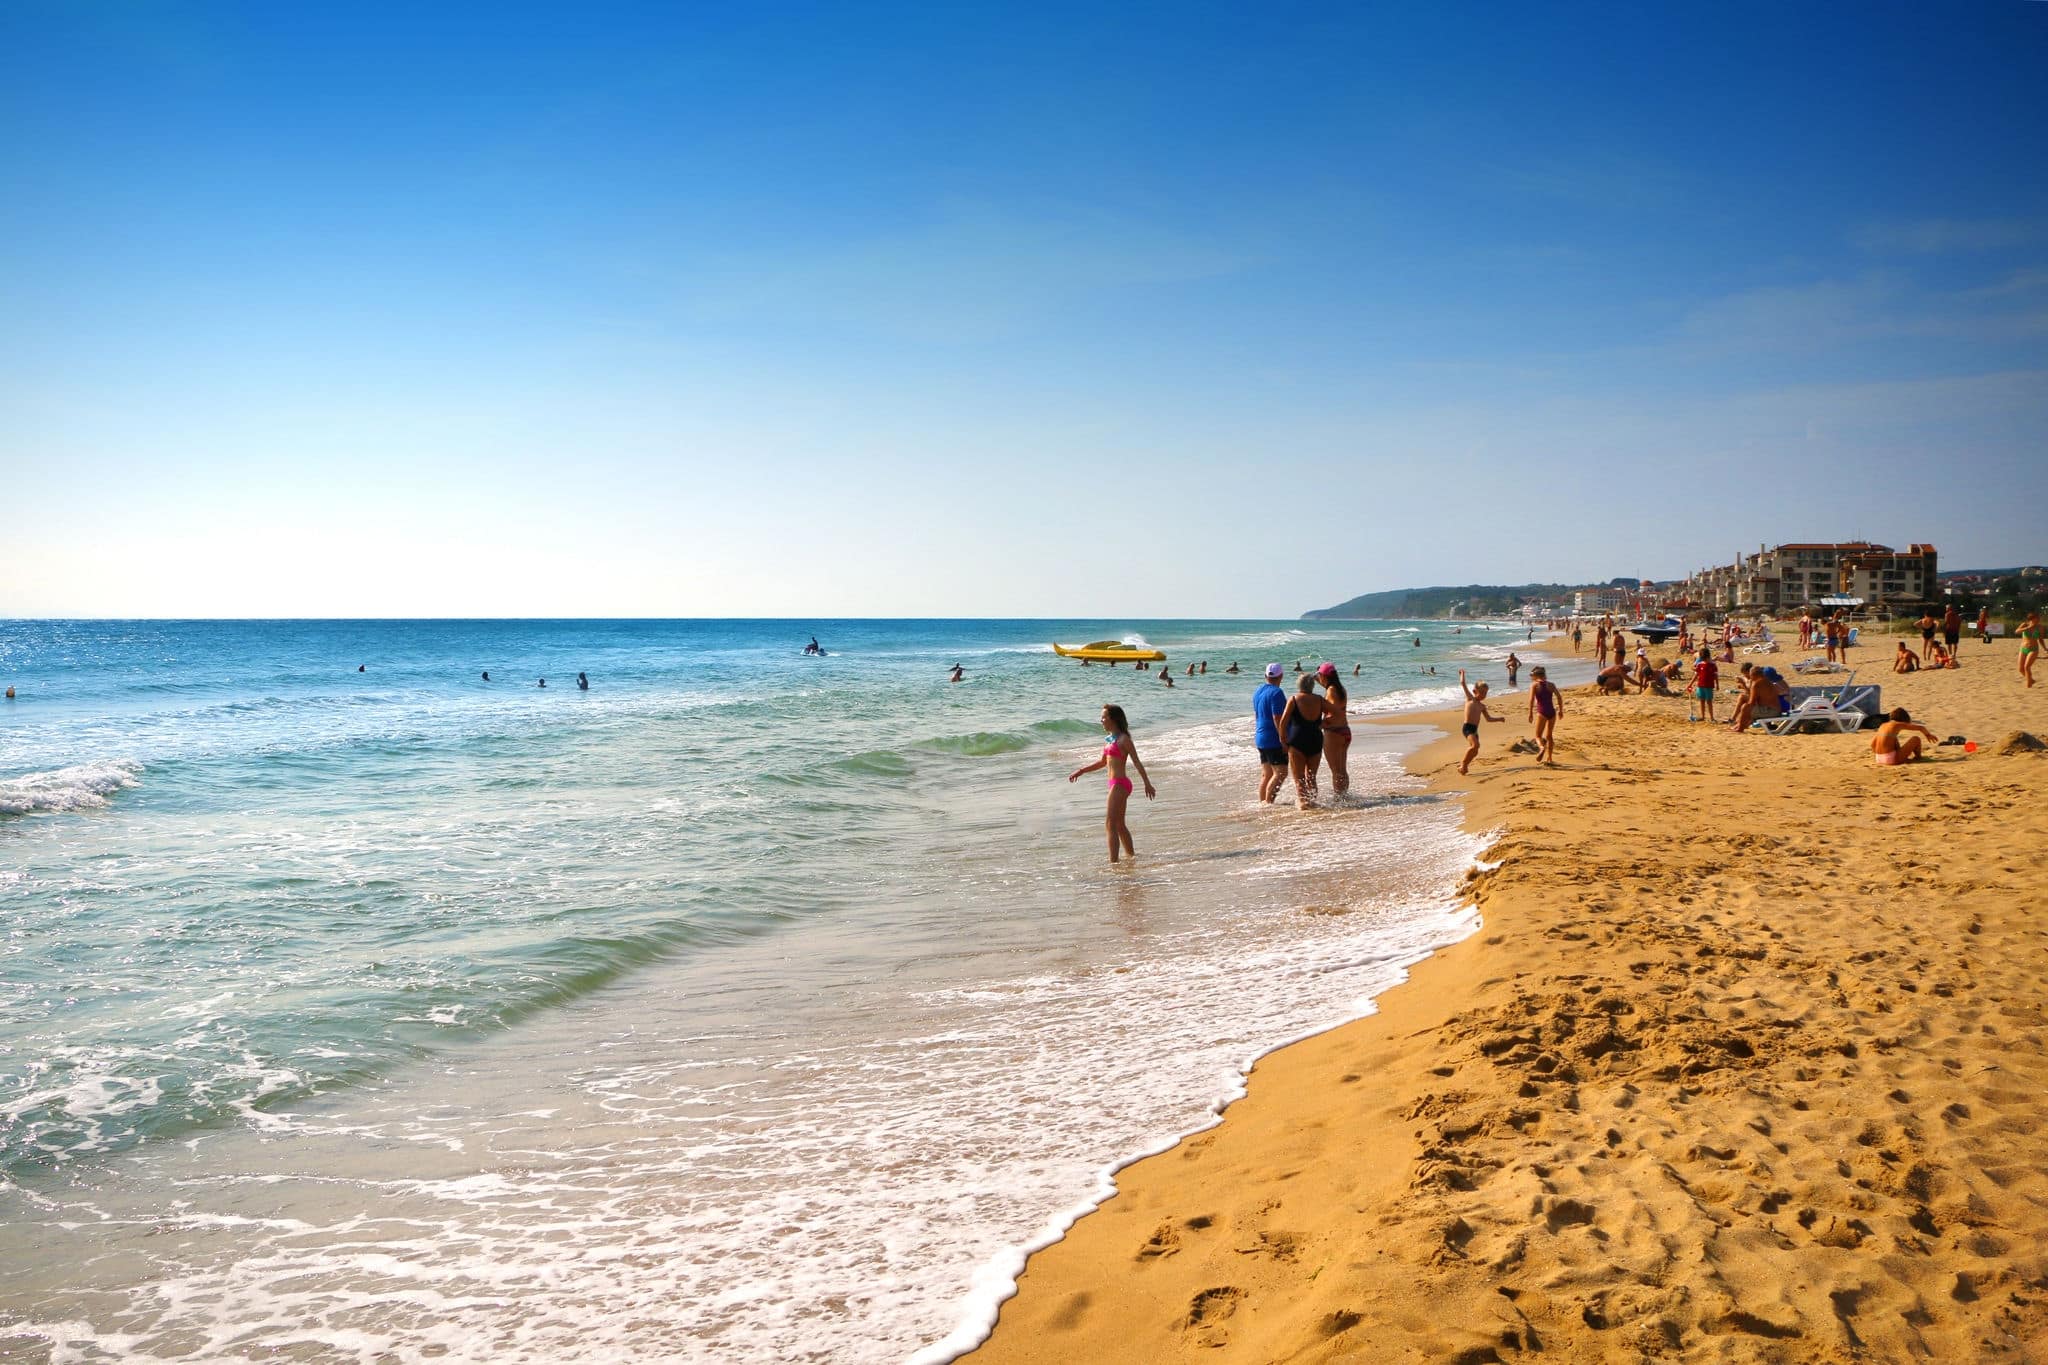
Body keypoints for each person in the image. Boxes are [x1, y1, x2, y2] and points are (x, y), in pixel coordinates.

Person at [1069, 703, 1154, 862]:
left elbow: (1136, 761)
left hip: (1120, 784)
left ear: (1113, 719)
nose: (1101, 720)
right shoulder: (1108, 741)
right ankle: (1131, 857)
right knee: (1120, 825)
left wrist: (1147, 783)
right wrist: (1081, 771)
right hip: (1115, 784)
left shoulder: (1124, 739)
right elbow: (1102, 763)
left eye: (1103, 717)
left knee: (1110, 824)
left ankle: (1113, 863)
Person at [1276, 671, 1328, 808]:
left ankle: (1304, 805)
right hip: (1315, 740)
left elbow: (1283, 722)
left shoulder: (1293, 699)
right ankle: (1312, 801)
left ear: (1299, 685)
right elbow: (1335, 712)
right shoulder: (1319, 699)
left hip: (1297, 740)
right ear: (1312, 685)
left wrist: (1283, 741)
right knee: (1311, 777)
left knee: (1299, 778)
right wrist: (1322, 724)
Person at [1253, 664, 1289, 803]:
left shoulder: (1258, 691)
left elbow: (1257, 715)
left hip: (1260, 736)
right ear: (1281, 676)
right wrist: (1283, 739)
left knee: (1267, 774)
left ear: (1266, 676)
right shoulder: (1277, 693)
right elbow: (1277, 717)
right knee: (1281, 773)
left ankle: (1262, 803)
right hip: (1273, 738)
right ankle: (1269, 804)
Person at [1456, 669, 1500, 776]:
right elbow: (1462, 683)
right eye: (1482, 692)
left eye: (1485, 693)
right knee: (1475, 746)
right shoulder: (1470, 699)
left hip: (1475, 730)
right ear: (1475, 691)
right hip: (1467, 728)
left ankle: (1464, 767)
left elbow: (1488, 719)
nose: (1484, 695)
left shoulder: (1482, 706)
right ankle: (1463, 765)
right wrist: (1462, 674)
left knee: (1475, 751)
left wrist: (1499, 719)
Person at [1318, 663, 1351, 797]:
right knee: (1342, 769)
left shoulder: (1331, 691)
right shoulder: (1340, 689)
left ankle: (1339, 799)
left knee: (1336, 770)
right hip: (1345, 731)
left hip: (1334, 732)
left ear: (1324, 677)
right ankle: (1344, 796)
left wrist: (1319, 725)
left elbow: (1333, 713)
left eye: (1319, 676)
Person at [1870, 707, 1937, 766]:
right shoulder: (1897, 724)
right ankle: (1918, 757)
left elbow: (1872, 744)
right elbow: (1921, 728)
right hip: (1891, 760)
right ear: (1904, 719)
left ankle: (1895, 756)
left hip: (1878, 759)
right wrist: (1928, 735)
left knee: (1894, 739)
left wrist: (1882, 752)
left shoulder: (1883, 725)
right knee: (1916, 739)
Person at [1527, 666, 1561, 764]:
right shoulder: (1551, 684)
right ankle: (1550, 758)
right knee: (1549, 736)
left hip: (1542, 712)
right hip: (1552, 712)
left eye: (1532, 675)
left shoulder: (1535, 685)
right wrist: (1561, 711)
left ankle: (1541, 748)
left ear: (1536, 676)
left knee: (1538, 736)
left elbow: (1531, 700)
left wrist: (1530, 713)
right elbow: (1559, 697)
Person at [1692, 649, 1719, 723]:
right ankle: (1703, 716)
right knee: (1702, 701)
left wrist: (1717, 684)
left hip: (1709, 686)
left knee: (1709, 702)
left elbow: (1715, 675)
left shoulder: (1713, 665)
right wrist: (1690, 684)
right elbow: (1696, 675)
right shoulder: (1700, 665)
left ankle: (1712, 718)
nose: (1705, 660)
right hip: (1700, 685)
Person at [2020, 611, 2044, 689]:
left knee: (2026, 667)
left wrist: (2045, 649)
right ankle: (2031, 680)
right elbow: (2016, 631)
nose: (2038, 620)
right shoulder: (2024, 624)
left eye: (2039, 618)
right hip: (2023, 649)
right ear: (2031, 619)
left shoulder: (2040, 627)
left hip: (2034, 649)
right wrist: (2028, 627)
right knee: (2021, 669)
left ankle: (2028, 686)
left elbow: (2041, 639)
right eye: (2037, 618)